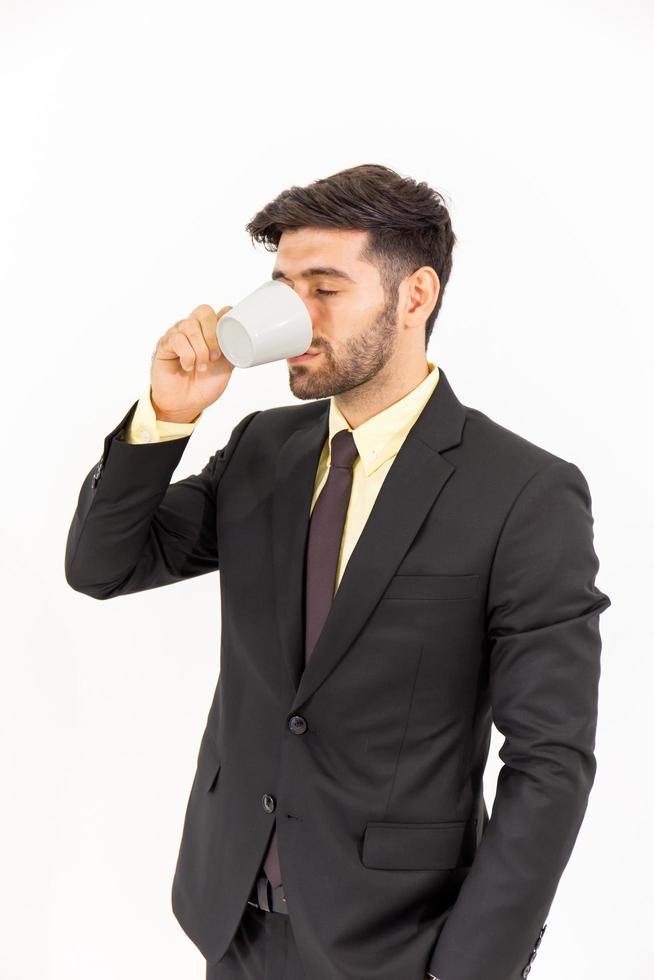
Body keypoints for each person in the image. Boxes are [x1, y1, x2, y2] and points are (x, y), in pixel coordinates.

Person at [65, 163, 611, 980]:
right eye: (284, 287)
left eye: (325, 288)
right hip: (234, 924)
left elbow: (550, 761)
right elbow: (104, 566)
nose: (296, 316)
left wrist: (471, 966)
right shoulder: (262, 449)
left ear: (414, 296)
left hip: (400, 946)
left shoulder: (525, 492)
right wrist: (169, 414)